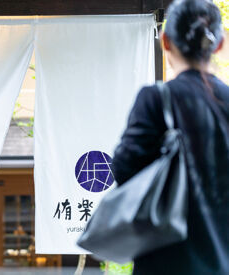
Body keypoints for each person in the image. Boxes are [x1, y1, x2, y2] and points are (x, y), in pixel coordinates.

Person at [111, 0, 229, 274]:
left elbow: (124, 169)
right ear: (219, 45)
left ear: (165, 42)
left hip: (164, 258)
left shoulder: (156, 99)